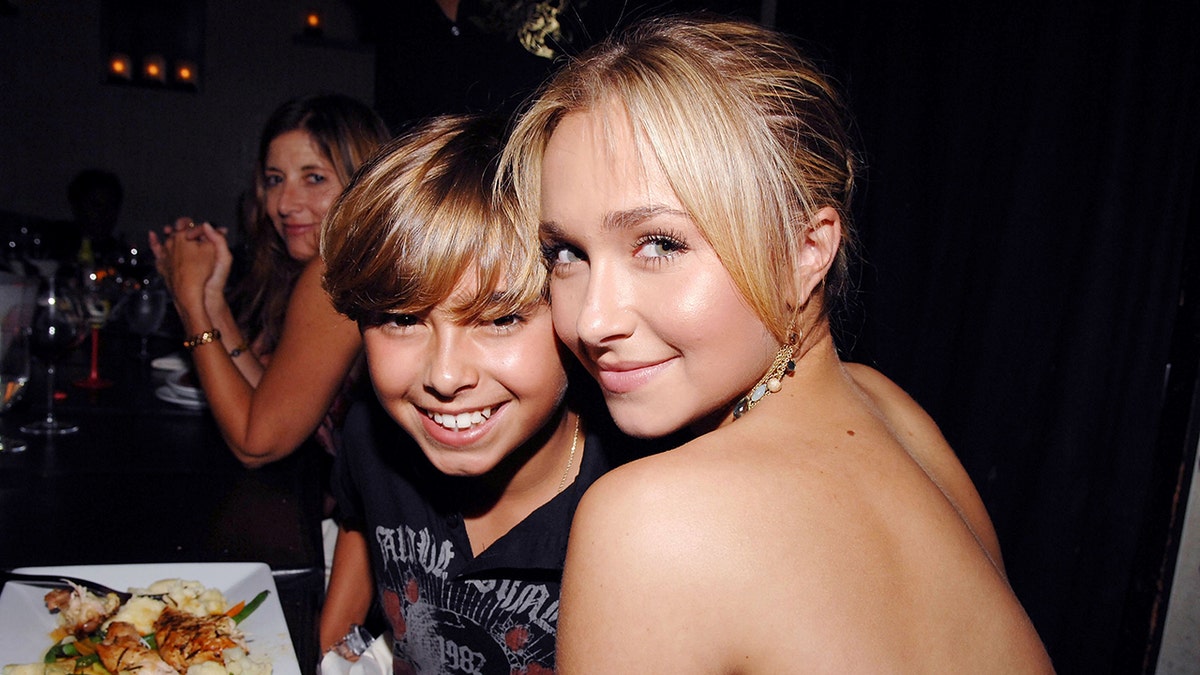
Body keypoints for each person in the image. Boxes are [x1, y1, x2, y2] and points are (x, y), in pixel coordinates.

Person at [498, 15, 1055, 672]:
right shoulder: (890, 410)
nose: (592, 321)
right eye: (565, 252)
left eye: (659, 244)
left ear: (806, 250)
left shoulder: (650, 522)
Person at [319, 114, 651, 670]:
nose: (444, 377)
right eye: (401, 318)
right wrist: (332, 647)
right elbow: (360, 521)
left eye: (499, 320)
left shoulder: (644, 503)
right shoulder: (372, 437)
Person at [148, 94, 390, 467]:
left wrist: (188, 300)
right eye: (275, 179)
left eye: (314, 178)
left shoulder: (337, 268)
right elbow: (270, 399)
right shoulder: (363, 263)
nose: (283, 204)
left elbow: (256, 442)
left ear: (366, 183)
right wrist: (212, 299)